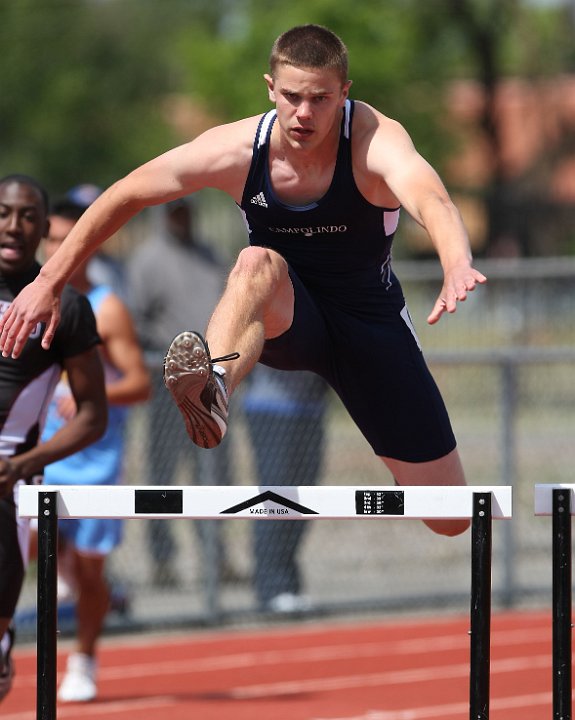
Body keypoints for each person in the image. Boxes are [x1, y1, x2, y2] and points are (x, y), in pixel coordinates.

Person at [0, 25, 487, 540]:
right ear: (270, 88)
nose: (304, 114)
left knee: (449, 516)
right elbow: (128, 193)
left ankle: (223, 386)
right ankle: (212, 388)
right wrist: (48, 279)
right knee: (256, 262)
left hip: (370, 328)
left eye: (320, 99)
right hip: (286, 313)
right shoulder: (236, 149)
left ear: (345, 94)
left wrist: (456, 260)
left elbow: (432, 199)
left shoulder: (374, 139)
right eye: (293, 97)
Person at [37, 196, 151, 703]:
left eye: (71, 241)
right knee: (31, 545)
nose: (62, 250)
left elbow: (141, 383)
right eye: (54, 241)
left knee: (90, 574)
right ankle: (53, 561)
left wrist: (88, 394)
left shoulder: (107, 306)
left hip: (97, 461)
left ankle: (83, 658)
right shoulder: (29, 300)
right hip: (41, 456)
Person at [0, 175, 107, 704]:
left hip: (10, 487)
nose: (13, 226)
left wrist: (26, 465)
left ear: (44, 228)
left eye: (26, 216)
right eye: (3, 213)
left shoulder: (68, 308)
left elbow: (93, 415)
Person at [127, 199, 236, 587]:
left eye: (186, 211)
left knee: (217, 471)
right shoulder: (147, 260)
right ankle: (162, 562)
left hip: (209, 380)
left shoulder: (209, 255)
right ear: (163, 216)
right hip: (166, 383)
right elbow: (135, 320)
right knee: (163, 473)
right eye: (174, 212)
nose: (182, 217)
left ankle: (216, 558)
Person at [242, 366, 327, 613]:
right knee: (276, 498)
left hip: (311, 408)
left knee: (304, 502)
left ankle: (288, 583)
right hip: (272, 408)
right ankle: (271, 587)